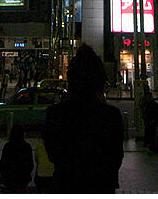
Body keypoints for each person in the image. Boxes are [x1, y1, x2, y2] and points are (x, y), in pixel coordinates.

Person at [44, 44, 124, 193]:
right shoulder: (111, 116)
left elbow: (54, 155)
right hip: (101, 186)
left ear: (70, 80)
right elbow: (115, 158)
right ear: (100, 82)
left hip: (65, 185)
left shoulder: (55, 114)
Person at [0, 124, 34, 191]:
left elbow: (2, 164)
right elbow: (30, 164)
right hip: (23, 179)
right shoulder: (27, 146)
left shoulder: (7, 146)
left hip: (8, 179)